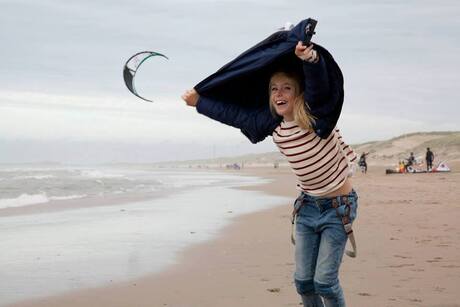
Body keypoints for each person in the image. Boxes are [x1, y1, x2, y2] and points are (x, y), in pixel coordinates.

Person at [182, 42, 358, 307]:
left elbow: (320, 85)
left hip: (338, 209)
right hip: (307, 208)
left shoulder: (315, 116)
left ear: (299, 93)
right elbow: (234, 115)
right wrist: (200, 103)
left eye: (287, 87)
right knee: (303, 282)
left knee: (324, 282)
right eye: (274, 89)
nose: (279, 93)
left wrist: (308, 57)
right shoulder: (274, 128)